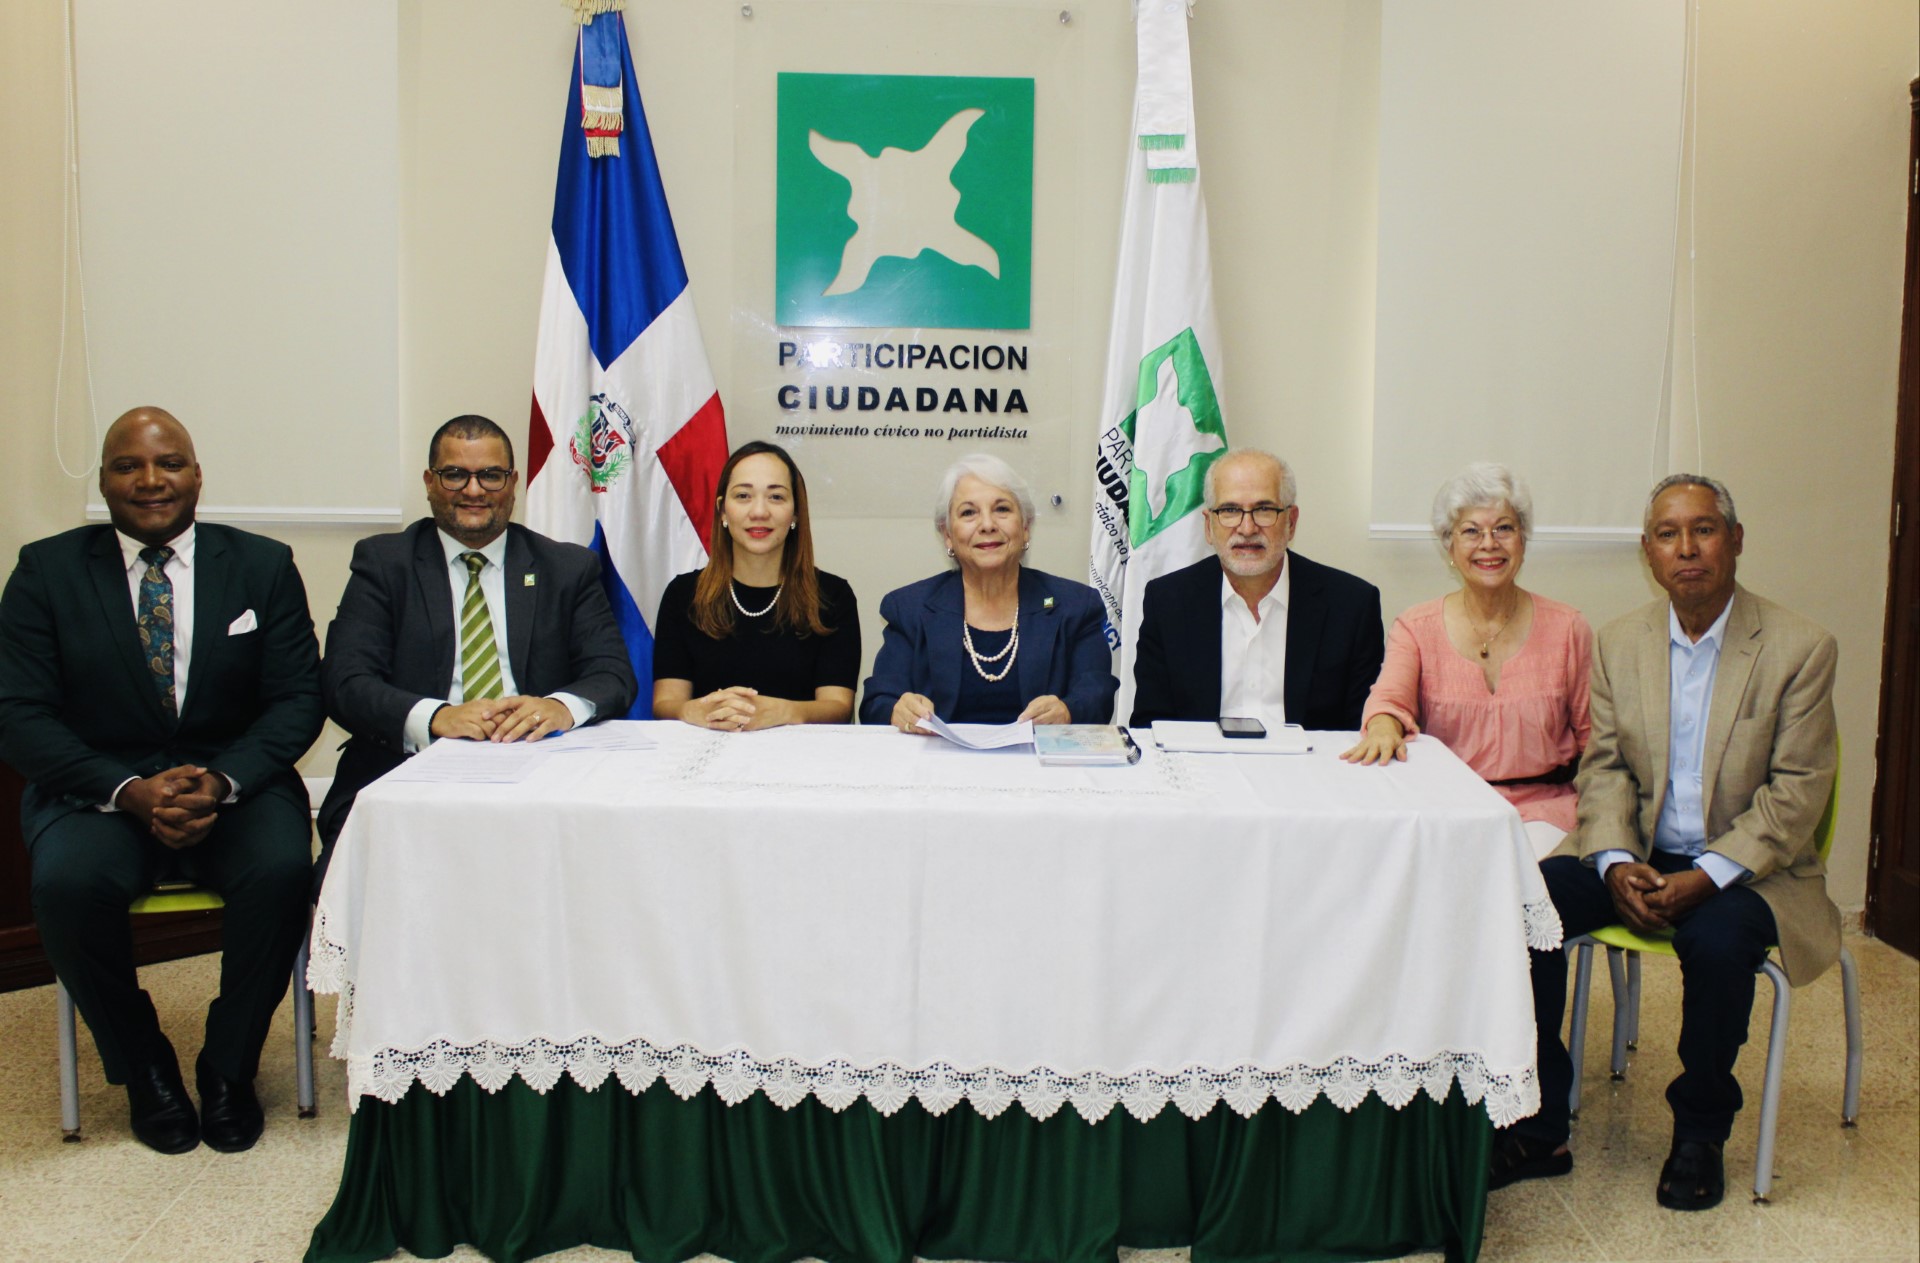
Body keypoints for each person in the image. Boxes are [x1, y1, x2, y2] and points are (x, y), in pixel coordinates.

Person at [1494, 475, 1841, 1212]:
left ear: (1735, 540)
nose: (1687, 548)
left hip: (1752, 867)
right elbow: (1605, 768)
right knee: (1529, 905)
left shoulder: (1800, 647)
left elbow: (1796, 795)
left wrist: (1707, 877)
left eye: (1704, 529)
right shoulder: (1622, 642)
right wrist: (1616, 862)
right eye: (1667, 534)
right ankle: (1538, 1121)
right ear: (1648, 551)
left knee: (1716, 944)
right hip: (1643, 850)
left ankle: (1699, 1132)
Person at [0, 407, 324, 1155]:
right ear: (103, 480)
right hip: (99, 792)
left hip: (232, 787)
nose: (151, 480)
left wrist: (223, 779)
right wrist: (126, 790)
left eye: (169, 462)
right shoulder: (44, 571)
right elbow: (18, 714)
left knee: (282, 870)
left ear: (197, 475)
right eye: (129, 465)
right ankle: (144, 1064)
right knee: (67, 885)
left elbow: (297, 699)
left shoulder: (262, 564)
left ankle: (229, 1066)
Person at [316, 415, 636, 870]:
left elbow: (613, 674)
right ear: (429, 482)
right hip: (405, 777)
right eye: (454, 475)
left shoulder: (566, 567)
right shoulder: (384, 563)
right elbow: (345, 682)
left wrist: (559, 707)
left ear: (513, 483)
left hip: (540, 777)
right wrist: (437, 717)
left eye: (490, 475)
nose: (473, 490)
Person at [1341, 463, 1592, 858]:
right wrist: (1383, 726)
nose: (1489, 544)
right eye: (1471, 531)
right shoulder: (1415, 627)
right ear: (1450, 547)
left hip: (1545, 813)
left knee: (1525, 874)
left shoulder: (1568, 628)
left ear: (1523, 540)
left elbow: (1596, 740)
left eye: (1504, 528)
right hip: (1447, 806)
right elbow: (1388, 701)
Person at [1130, 449, 1383, 731]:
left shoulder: (1352, 606)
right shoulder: (1167, 602)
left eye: (1264, 510)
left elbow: (1362, 730)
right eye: (1230, 510)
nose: (1247, 528)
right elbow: (1150, 726)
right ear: (1209, 526)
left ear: (1291, 522)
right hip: (1202, 759)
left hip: (1309, 759)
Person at [862, 454, 1116, 729]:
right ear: (947, 535)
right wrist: (898, 710)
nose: (987, 525)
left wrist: (1068, 711)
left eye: (1002, 509)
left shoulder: (1075, 605)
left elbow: (1097, 695)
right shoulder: (909, 608)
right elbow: (878, 702)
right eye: (968, 513)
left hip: (1037, 756)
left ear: (1025, 528)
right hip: (940, 756)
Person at [653, 441, 859, 729]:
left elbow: (838, 707)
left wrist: (783, 712)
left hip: (799, 751)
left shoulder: (833, 596)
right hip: (706, 748)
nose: (759, 511)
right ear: (722, 511)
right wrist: (695, 711)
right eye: (743, 496)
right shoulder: (683, 595)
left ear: (795, 513)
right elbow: (665, 702)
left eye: (776, 497)